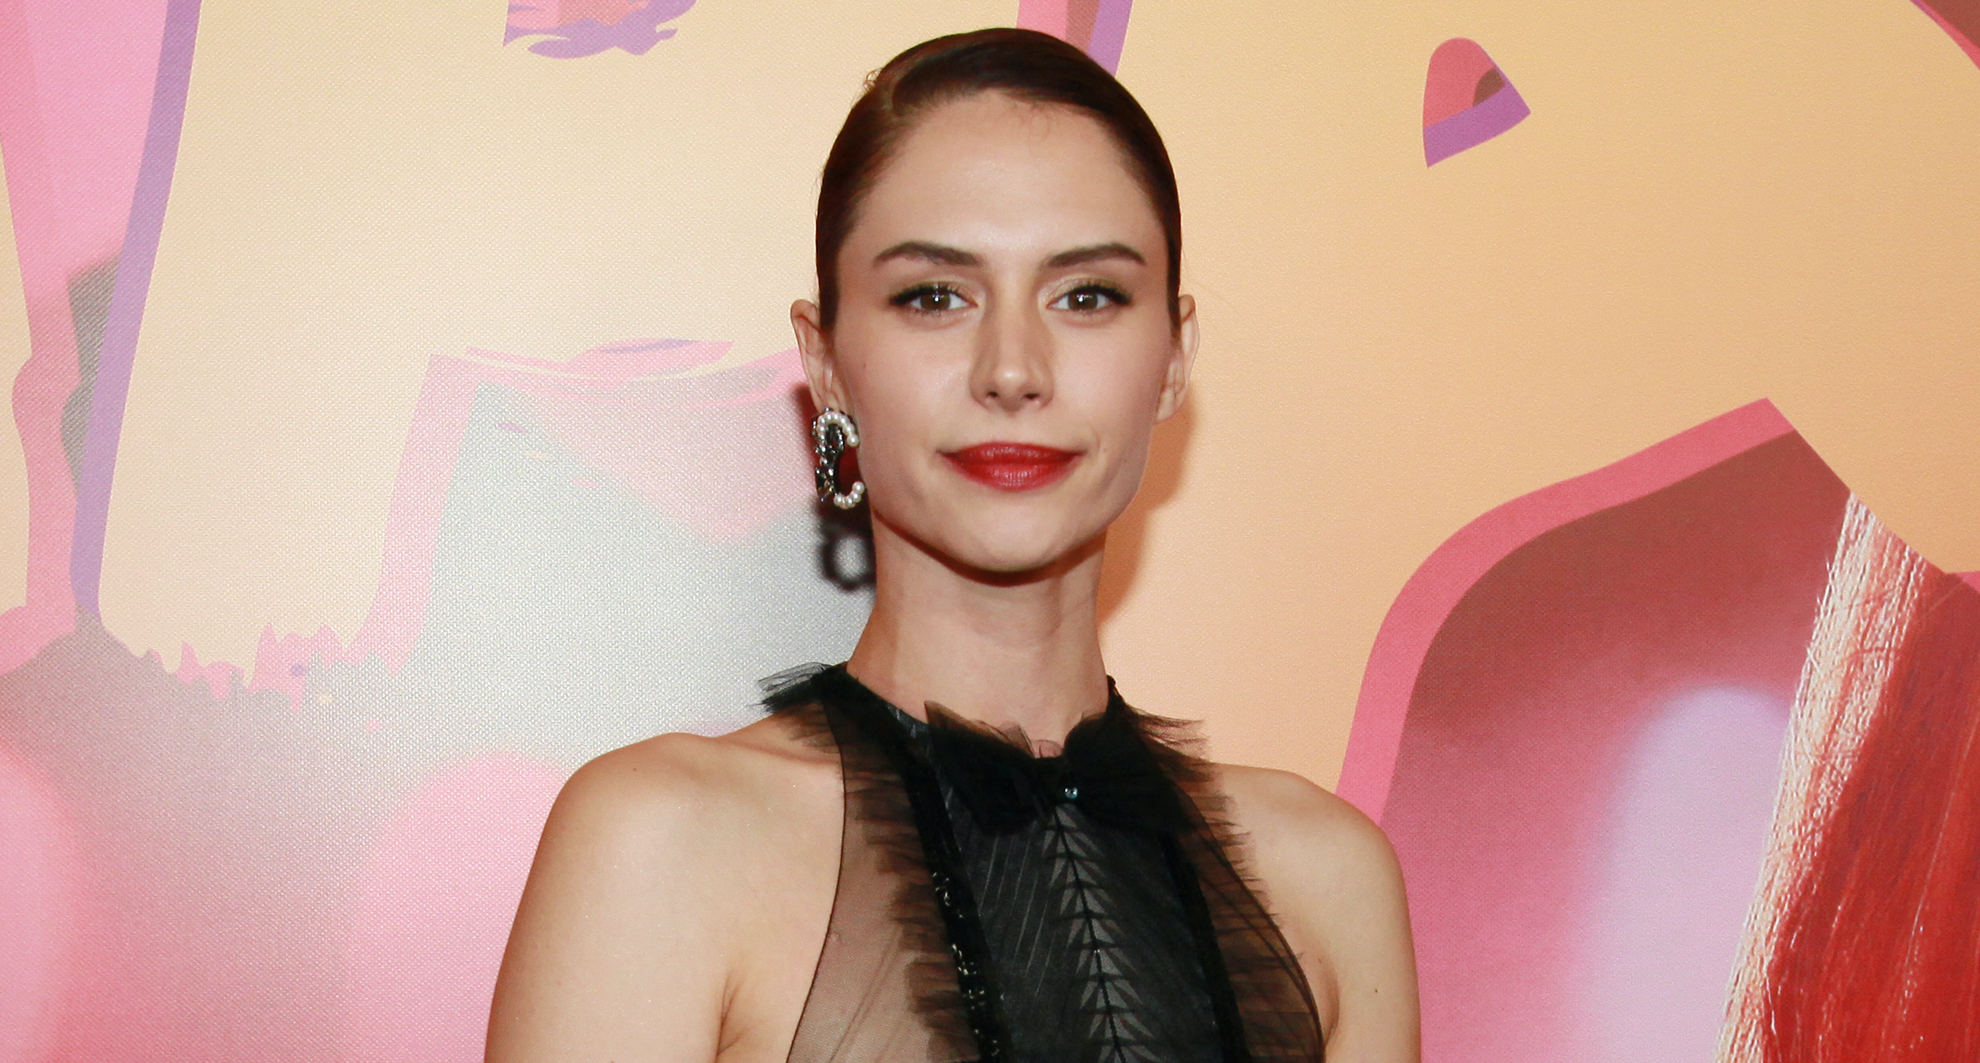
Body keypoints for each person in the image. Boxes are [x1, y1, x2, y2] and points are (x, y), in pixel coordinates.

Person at [486, 28, 1418, 1063]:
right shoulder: (664, 844)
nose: (1012, 369)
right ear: (827, 363)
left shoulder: (1327, 880)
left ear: (1173, 356)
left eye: (1087, 295)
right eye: (934, 296)